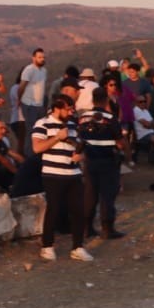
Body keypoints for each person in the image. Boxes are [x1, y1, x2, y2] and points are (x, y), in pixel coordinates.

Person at [32, 94, 91, 262]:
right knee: (54, 210)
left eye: (72, 108)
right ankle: (47, 246)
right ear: (57, 108)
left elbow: (79, 146)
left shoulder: (72, 124)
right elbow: (37, 148)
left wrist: (81, 156)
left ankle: (78, 247)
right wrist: (57, 137)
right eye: (68, 108)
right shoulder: (42, 123)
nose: (71, 111)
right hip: (53, 174)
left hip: (73, 173)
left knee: (79, 210)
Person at [77, 91, 126, 240]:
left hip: (89, 161)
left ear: (92, 100)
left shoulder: (83, 118)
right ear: (105, 100)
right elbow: (120, 142)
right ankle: (107, 228)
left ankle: (87, 228)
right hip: (107, 160)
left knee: (90, 195)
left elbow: (79, 138)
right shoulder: (110, 118)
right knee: (107, 195)